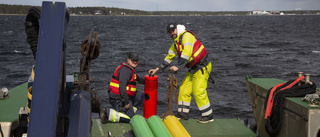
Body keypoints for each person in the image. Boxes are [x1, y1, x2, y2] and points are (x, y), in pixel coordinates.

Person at [149, 23, 214, 123]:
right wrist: (157, 69)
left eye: (173, 31)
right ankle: (183, 114)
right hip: (193, 69)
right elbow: (168, 58)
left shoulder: (186, 36)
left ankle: (208, 116)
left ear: (177, 29)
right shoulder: (175, 43)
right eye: (170, 32)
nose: (172, 33)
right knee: (184, 89)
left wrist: (178, 66)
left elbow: (186, 53)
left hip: (202, 67)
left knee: (198, 91)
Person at [101, 52, 145, 123]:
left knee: (141, 96)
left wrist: (150, 79)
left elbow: (140, 80)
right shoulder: (126, 71)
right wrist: (126, 103)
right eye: (132, 60)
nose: (135, 62)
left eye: (136, 60)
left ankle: (126, 112)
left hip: (126, 96)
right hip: (118, 99)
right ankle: (108, 113)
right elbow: (122, 86)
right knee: (133, 120)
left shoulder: (131, 70)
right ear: (128, 60)